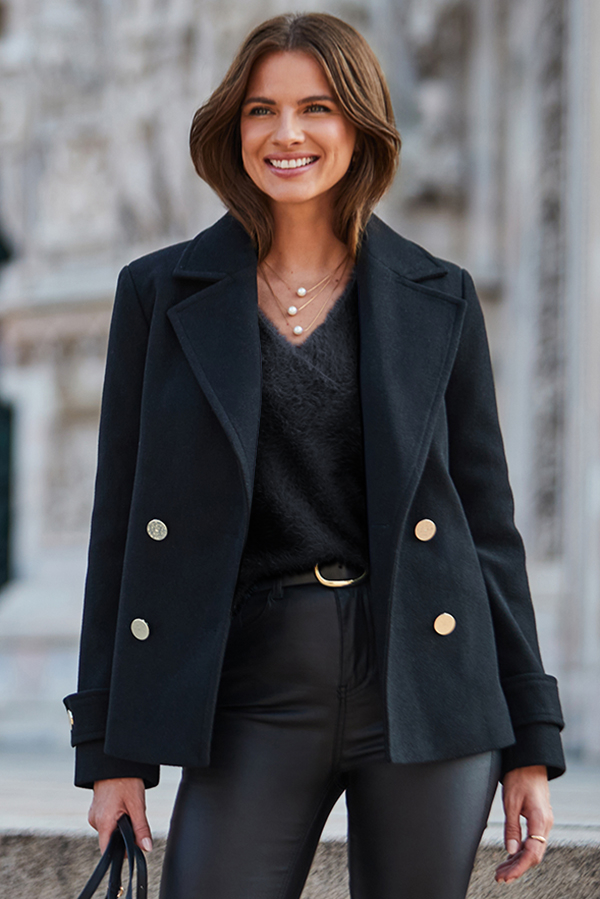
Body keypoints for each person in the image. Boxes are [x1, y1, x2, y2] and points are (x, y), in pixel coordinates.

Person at [64, 12, 565, 899]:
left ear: (359, 127)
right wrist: (109, 750)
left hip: (428, 682)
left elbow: (487, 528)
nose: (285, 133)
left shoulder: (440, 297)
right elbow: (122, 530)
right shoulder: (158, 294)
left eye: (316, 108)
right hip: (253, 683)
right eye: (261, 110)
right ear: (234, 128)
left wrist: (532, 737)